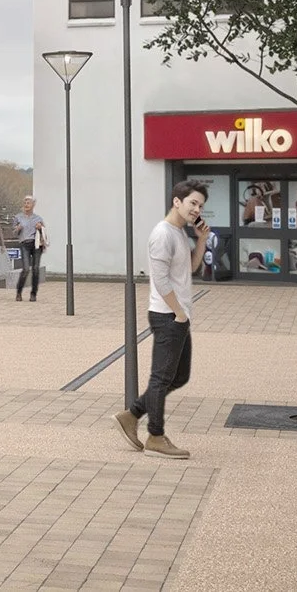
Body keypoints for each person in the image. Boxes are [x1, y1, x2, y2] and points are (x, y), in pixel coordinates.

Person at [116, 178, 204, 460]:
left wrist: (201, 239)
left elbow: (190, 268)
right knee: (161, 378)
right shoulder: (162, 234)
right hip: (168, 316)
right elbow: (161, 280)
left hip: (178, 316)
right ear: (177, 201)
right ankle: (155, 436)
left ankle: (131, 415)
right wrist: (178, 312)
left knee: (179, 376)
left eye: (200, 205)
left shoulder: (179, 232)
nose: (197, 209)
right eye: (193, 203)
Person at [11, 196, 47, 303]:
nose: (26, 204)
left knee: (35, 269)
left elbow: (44, 233)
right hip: (24, 244)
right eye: (25, 202)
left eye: (29, 203)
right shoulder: (18, 217)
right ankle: (19, 292)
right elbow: (14, 232)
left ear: (33, 205)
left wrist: (40, 228)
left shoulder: (38, 218)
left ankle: (33, 294)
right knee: (26, 269)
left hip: (36, 245)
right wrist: (18, 228)